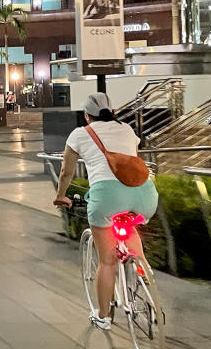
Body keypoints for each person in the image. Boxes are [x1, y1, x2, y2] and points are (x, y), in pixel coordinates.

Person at [53, 93, 158, 331]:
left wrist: (61, 195)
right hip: (145, 195)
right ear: (113, 112)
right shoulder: (127, 130)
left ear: (86, 115)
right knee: (131, 237)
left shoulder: (80, 134)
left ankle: (103, 317)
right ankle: (146, 282)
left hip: (106, 199)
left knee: (107, 262)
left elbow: (66, 172)